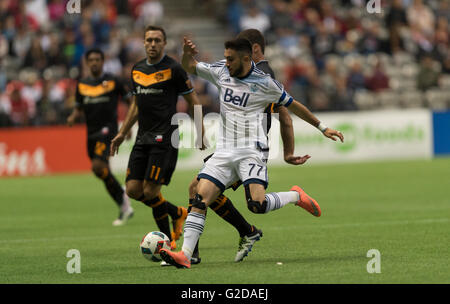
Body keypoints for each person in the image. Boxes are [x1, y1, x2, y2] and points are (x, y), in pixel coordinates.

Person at [160, 37, 344, 268]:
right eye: (225, 58)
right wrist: (187, 54)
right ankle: (185, 255)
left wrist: (322, 127)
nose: (225, 63)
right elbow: (190, 66)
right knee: (199, 196)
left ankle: (296, 196)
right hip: (225, 152)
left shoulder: (265, 83)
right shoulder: (220, 72)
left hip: (251, 152)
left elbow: (294, 106)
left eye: (230, 59)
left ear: (246, 58)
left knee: (257, 205)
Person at [186, 29, 312, 265]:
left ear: (252, 50)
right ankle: (232, 236)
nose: (229, 60)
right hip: (233, 146)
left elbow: (285, 114)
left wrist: (288, 150)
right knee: (201, 190)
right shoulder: (244, 71)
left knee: (213, 193)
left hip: (249, 149)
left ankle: (204, 248)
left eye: (234, 55)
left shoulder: (262, 76)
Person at [110, 25, 205, 250]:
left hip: (165, 138)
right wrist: (123, 133)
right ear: (144, 43)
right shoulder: (137, 69)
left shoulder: (174, 69)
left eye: (157, 40)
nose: (152, 44)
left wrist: (200, 133)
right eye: (149, 40)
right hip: (142, 138)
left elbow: (195, 101)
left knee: (151, 192)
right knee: (133, 190)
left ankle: (167, 244)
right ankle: (177, 213)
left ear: (163, 44)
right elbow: (136, 104)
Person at [67, 49, 134, 226]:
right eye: (91, 60)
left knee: (98, 166)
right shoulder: (82, 84)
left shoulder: (114, 81)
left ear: (103, 61)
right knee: (101, 171)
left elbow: (130, 102)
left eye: (98, 59)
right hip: (91, 133)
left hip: (108, 131)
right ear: (87, 63)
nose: (95, 62)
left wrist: (127, 127)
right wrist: (74, 116)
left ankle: (123, 199)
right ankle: (123, 201)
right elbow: (79, 106)